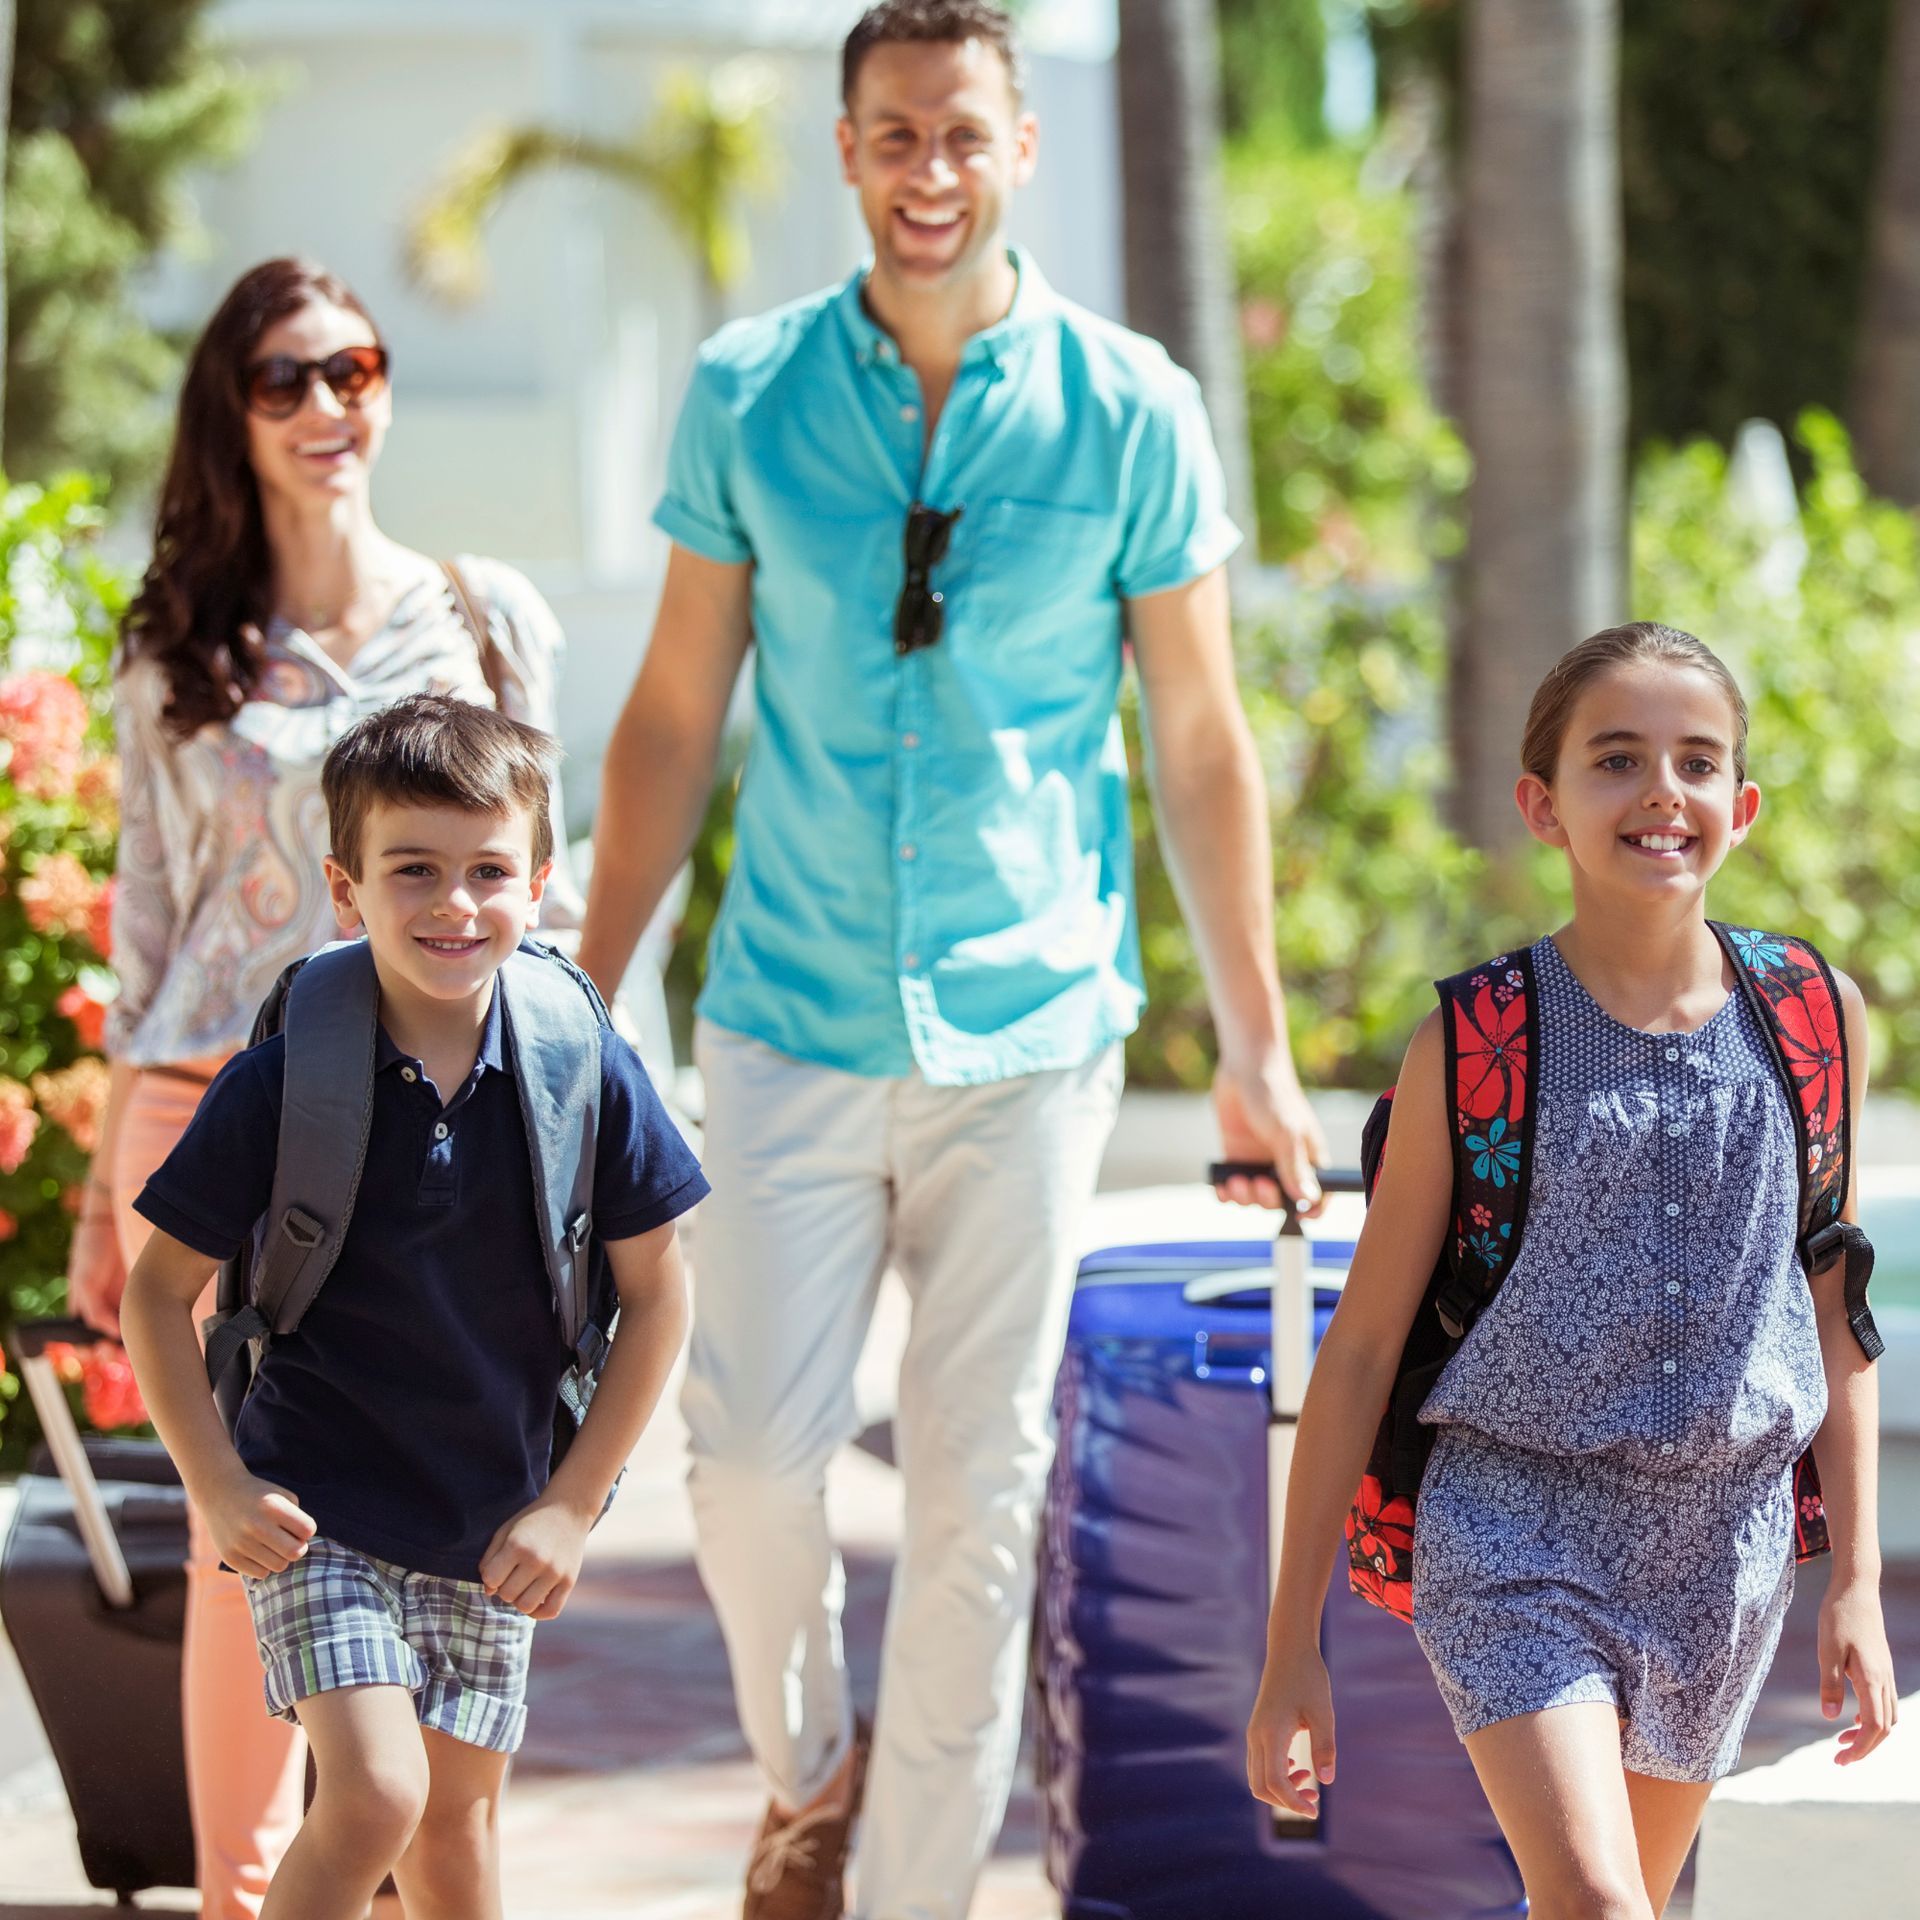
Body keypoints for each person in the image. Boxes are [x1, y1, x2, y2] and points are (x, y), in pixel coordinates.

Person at [576, 3, 1325, 1913]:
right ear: (846, 150)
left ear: (1019, 150)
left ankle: (902, 1899)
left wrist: (1256, 1042)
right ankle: (809, 1780)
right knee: (746, 1466)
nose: (929, 172)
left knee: (981, 1508)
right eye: (894, 135)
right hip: (791, 1014)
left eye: (962, 136)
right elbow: (673, 709)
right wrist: (582, 991)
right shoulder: (750, 394)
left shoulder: (1134, 406)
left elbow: (1203, 735)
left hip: (1032, 1027)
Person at [65, 255, 586, 1917]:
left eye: (350, 370)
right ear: (233, 409)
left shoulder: (487, 615)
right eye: (283, 380)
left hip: (425, 1111)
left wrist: (565, 1111)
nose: (323, 407)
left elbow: (540, 890)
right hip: (210, 1089)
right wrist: (101, 1184)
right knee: (252, 1531)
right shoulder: (179, 647)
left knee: (417, 1499)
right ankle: (242, 1897)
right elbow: (145, 920)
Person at [1246, 624, 1899, 1919]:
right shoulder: (1479, 1041)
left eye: (1697, 762)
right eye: (1618, 759)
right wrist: (1289, 1650)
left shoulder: (1816, 1022)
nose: (1663, 790)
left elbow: (1836, 1315)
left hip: (1724, 1549)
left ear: (1742, 805)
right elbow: (1364, 1349)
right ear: (1542, 805)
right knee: (1600, 1901)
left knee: (1611, 1914)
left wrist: (1861, 1585)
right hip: (1513, 1527)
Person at [119, 694, 704, 1920]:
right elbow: (158, 1291)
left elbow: (658, 1296)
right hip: (315, 1509)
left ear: (541, 881)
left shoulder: (584, 1066)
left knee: (457, 1839)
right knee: (377, 1794)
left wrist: (570, 1506)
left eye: (489, 871)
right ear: (347, 890)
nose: (455, 904)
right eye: (414, 871)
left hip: (493, 1526)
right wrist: (218, 1486)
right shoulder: (285, 1080)